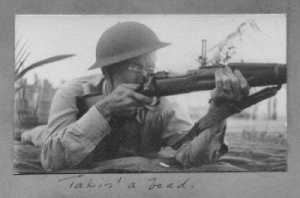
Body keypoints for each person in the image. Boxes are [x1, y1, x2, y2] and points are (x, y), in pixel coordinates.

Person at [32, 21, 249, 171]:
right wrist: (103, 110)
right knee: (36, 136)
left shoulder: (162, 102)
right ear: (108, 72)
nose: (146, 76)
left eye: (151, 67)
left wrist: (218, 111)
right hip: (58, 132)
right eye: (135, 67)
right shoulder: (73, 93)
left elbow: (191, 158)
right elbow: (51, 159)